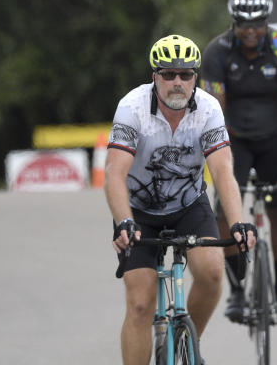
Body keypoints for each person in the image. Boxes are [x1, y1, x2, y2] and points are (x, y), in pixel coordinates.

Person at [105, 34, 256, 365]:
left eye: (185, 74)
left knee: (213, 273)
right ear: (155, 76)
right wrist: (124, 221)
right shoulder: (132, 109)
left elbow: (223, 171)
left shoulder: (208, 109)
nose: (177, 82)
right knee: (141, 302)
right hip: (139, 212)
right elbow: (114, 174)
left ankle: (188, 344)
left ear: (195, 78)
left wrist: (238, 223)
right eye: (169, 74)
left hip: (188, 206)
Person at [202, 0, 277, 324]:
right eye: (243, 24)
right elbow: (213, 116)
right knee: (225, 214)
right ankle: (235, 291)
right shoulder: (217, 52)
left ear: (267, 21)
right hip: (234, 139)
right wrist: (218, 166)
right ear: (233, 23)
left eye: (257, 24)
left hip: (275, 138)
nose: (250, 31)